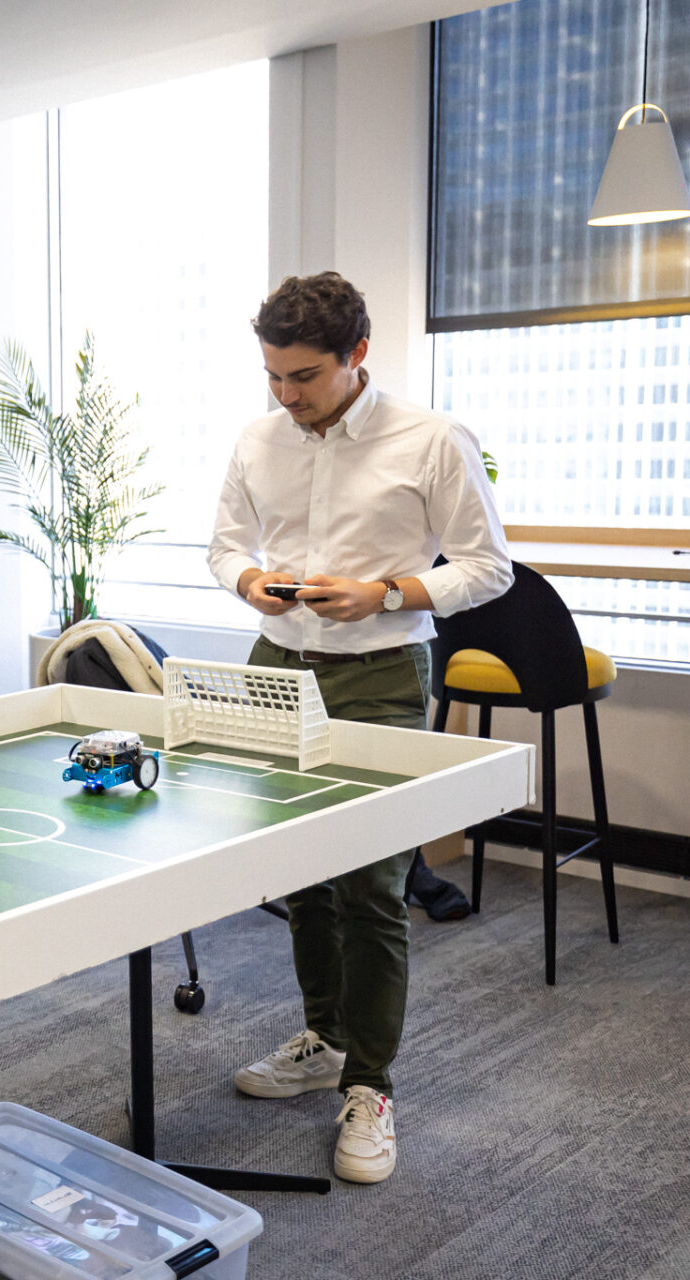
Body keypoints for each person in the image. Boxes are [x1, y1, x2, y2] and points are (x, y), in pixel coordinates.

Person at [205, 271, 510, 1184]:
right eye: (273, 375)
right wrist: (250, 583)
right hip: (277, 668)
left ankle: (371, 1085)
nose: (285, 395)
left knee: (372, 885)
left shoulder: (432, 439)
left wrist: (386, 592)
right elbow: (225, 546)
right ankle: (326, 1040)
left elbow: (488, 568)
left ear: (357, 355)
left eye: (304, 376)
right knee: (299, 875)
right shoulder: (258, 438)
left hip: (380, 673)